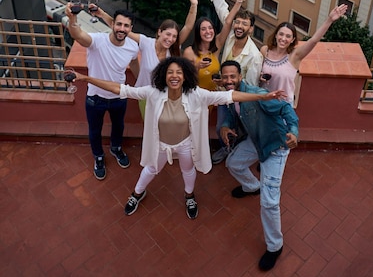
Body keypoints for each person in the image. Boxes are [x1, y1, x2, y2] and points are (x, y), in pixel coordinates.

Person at [74, 57, 281, 220]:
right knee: (151, 169)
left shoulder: (197, 94)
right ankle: (137, 193)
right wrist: (86, 79)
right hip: (161, 145)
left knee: (188, 170)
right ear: (163, 75)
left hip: (185, 144)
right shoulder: (153, 92)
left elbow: (231, 96)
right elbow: (121, 89)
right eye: (170, 72)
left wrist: (262, 96)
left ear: (185, 76)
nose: (174, 76)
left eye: (179, 72)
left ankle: (189, 196)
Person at [218, 60, 299, 272]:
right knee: (233, 164)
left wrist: (294, 132)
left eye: (232, 77)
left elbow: (285, 108)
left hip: (275, 146)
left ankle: (275, 246)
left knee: (270, 203)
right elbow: (230, 114)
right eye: (225, 77)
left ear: (240, 77)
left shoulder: (256, 94)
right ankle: (252, 187)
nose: (228, 81)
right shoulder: (229, 96)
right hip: (256, 141)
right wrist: (226, 127)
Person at [65, 3, 140, 180]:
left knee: (118, 126)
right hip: (95, 98)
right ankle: (98, 157)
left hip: (119, 96)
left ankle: (116, 148)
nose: (122, 29)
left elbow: (136, 66)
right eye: (119, 24)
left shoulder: (132, 47)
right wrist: (72, 19)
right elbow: (77, 35)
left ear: (130, 28)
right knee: (94, 131)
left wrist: (144, 84)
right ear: (113, 24)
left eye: (126, 26)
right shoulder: (97, 41)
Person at [101, 0, 198, 120]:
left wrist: (194, 5)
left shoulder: (173, 48)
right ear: (159, 32)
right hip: (145, 97)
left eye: (174, 36)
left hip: (167, 97)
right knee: (149, 128)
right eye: (167, 34)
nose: (170, 39)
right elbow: (122, 30)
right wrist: (100, 13)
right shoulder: (146, 43)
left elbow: (188, 26)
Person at [205, 0, 263, 164]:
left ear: (251, 29)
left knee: (242, 128)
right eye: (237, 21)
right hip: (223, 96)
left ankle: (241, 153)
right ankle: (226, 149)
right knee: (221, 125)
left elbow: (253, 85)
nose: (238, 26)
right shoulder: (229, 36)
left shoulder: (254, 56)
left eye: (244, 24)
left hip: (240, 98)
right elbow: (221, 6)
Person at [260, 4, 348, 107]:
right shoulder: (264, 50)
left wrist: (329, 20)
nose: (283, 39)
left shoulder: (295, 55)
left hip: (282, 107)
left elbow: (313, 41)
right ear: (276, 35)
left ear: (292, 40)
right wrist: (259, 77)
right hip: (262, 102)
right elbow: (255, 73)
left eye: (288, 36)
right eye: (281, 34)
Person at [182, 0, 245, 90]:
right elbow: (185, 80)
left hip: (213, 99)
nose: (208, 32)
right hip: (196, 100)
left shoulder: (216, 46)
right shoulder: (189, 52)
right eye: (203, 29)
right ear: (198, 32)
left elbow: (228, 22)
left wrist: (239, 1)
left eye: (210, 28)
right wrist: (196, 67)